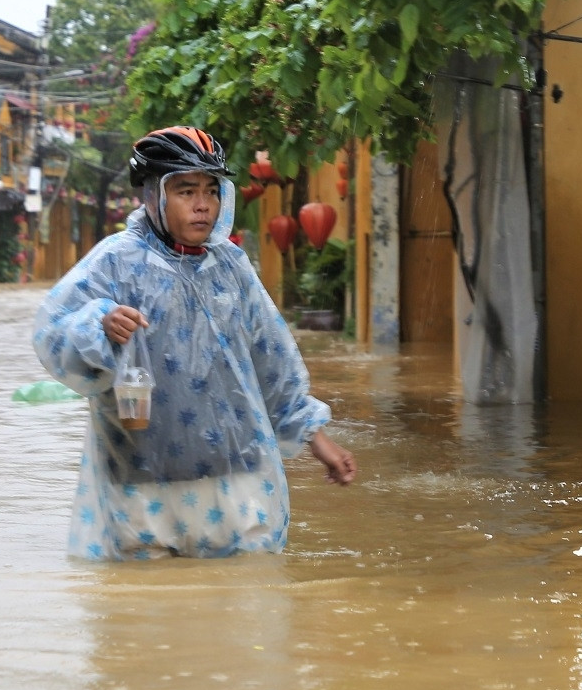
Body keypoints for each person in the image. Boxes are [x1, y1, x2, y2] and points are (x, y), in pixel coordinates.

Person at [33, 126, 356, 561]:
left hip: (238, 476)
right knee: (149, 616)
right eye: (186, 191)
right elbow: (52, 332)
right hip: (140, 482)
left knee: (244, 605)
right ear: (153, 196)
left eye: (211, 190)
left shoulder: (231, 268)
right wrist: (99, 325)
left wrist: (316, 439)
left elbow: (271, 358)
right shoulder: (115, 262)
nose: (203, 204)